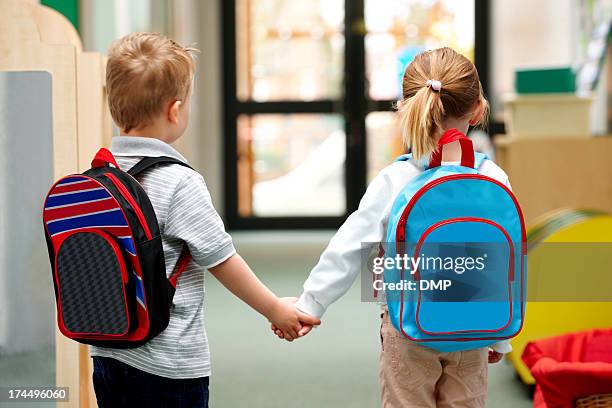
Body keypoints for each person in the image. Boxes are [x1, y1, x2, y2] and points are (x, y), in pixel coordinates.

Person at [90, 32, 320, 408]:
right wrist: (275, 309)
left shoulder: (102, 176)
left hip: (108, 354)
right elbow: (221, 259)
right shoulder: (179, 181)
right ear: (174, 111)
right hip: (169, 364)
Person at [274, 47, 511, 407]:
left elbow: (348, 247)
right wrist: (499, 336)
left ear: (404, 106)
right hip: (473, 329)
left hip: (408, 329)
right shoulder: (493, 177)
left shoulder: (394, 180)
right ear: (478, 109)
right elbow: (501, 260)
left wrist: (311, 304)